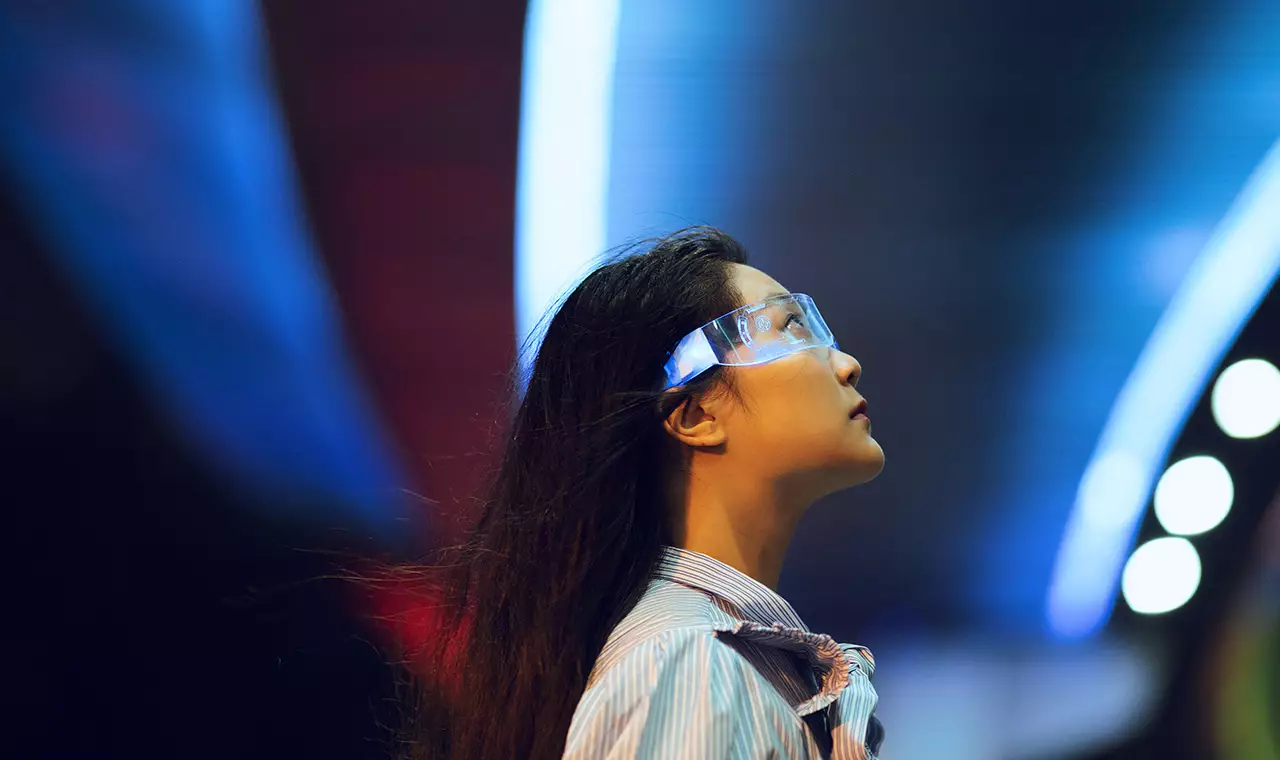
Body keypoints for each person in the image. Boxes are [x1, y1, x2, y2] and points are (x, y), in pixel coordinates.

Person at [401, 227, 886, 759]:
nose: (846, 364)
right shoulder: (691, 669)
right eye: (791, 327)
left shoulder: (708, 664)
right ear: (697, 416)